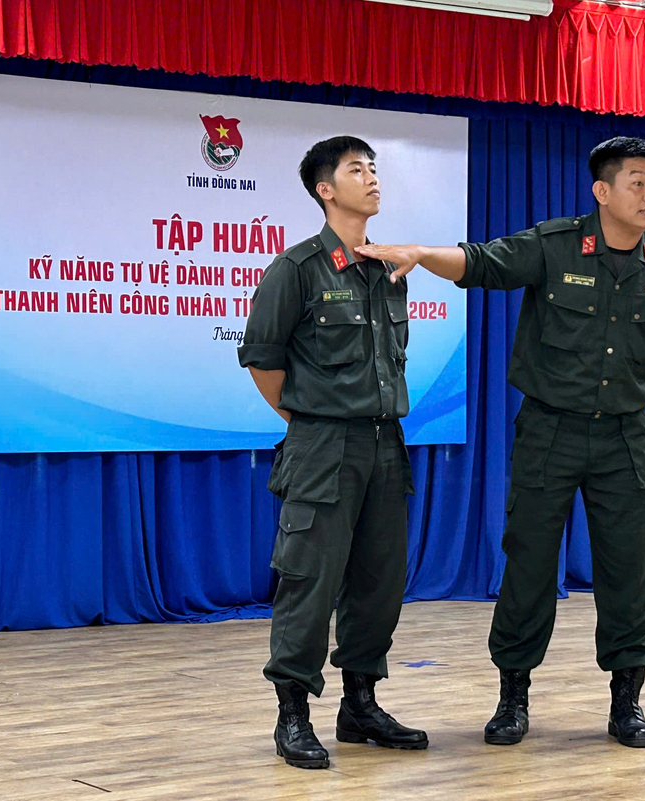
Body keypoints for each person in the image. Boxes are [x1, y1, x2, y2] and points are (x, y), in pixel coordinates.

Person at [358, 136, 645, 749]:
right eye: (638, 183)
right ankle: (512, 697)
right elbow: (481, 264)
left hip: (625, 437)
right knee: (530, 565)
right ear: (603, 191)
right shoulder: (556, 245)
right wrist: (420, 253)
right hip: (550, 431)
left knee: (628, 570)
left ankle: (627, 703)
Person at [237, 136, 427, 770]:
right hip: (322, 445)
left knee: (380, 581)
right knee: (309, 582)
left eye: (374, 168)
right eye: (356, 169)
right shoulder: (296, 269)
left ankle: (360, 704)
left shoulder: (387, 268)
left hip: (385, 444)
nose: (372, 178)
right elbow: (262, 360)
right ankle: (293, 713)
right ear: (325, 189)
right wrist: (310, 418)